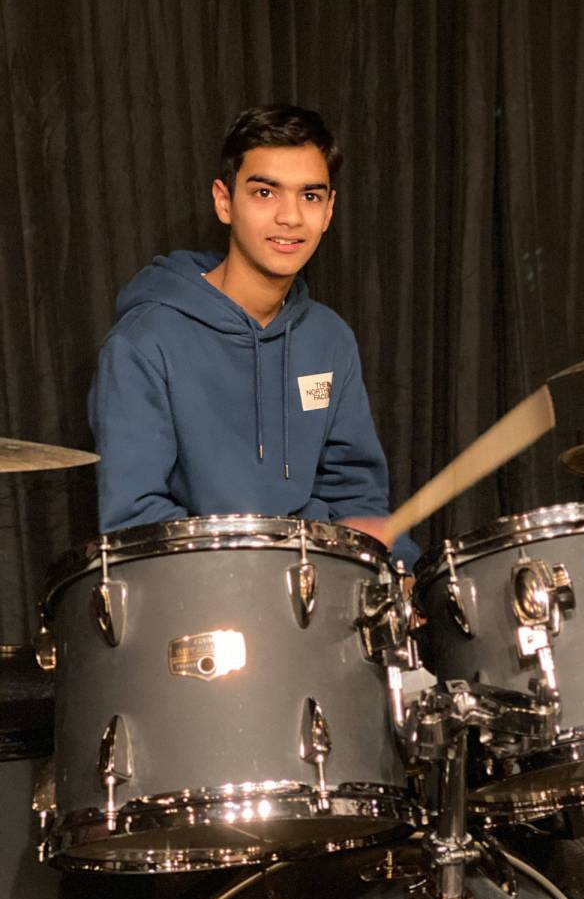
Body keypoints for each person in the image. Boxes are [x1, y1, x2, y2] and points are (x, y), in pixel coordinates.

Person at [89, 104, 419, 569]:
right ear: (224, 201)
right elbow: (136, 520)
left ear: (329, 211)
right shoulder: (142, 344)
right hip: (205, 604)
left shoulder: (329, 339)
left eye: (310, 196)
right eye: (265, 192)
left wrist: (401, 566)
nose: (290, 217)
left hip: (319, 598)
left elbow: (356, 497)